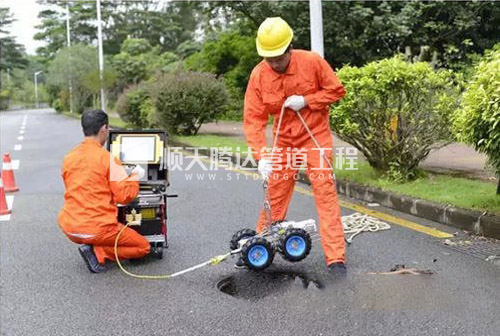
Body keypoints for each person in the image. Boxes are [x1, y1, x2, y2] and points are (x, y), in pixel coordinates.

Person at [243, 17, 347, 273]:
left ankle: (335, 258)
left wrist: (308, 100)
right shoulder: (259, 75)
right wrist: (261, 156)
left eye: (279, 57)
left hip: (315, 137)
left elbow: (336, 91)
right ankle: (259, 246)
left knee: (324, 192)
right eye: (270, 59)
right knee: (275, 193)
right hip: (284, 141)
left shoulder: (311, 62)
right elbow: (253, 118)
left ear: (290, 47)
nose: (275, 63)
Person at [58, 110, 149, 273]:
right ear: (104, 129)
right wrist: (134, 177)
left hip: (70, 227)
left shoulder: (68, 158)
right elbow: (124, 196)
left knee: (100, 231)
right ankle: (99, 251)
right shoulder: (107, 159)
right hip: (98, 228)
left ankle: (94, 246)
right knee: (143, 247)